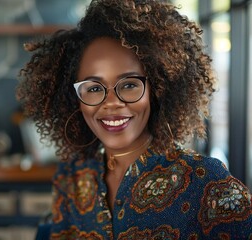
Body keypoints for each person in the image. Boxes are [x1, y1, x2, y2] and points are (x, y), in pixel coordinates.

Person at [17, 0, 252, 239]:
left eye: (129, 84)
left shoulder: (206, 183)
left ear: (157, 89)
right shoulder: (72, 179)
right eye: (94, 88)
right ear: (74, 98)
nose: (111, 103)